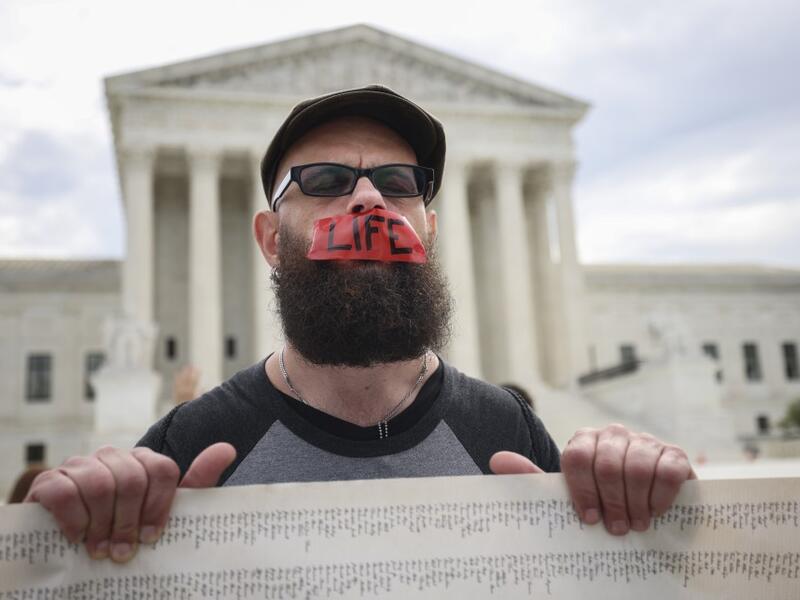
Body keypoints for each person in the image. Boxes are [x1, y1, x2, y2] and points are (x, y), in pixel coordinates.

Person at [26, 85, 695, 564]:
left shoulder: (506, 433)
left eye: (399, 183)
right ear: (270, 238)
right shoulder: (194, 449)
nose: (370, 199)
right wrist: (74, 545)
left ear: (426, 231)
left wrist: (638, 506)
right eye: (325, 180)